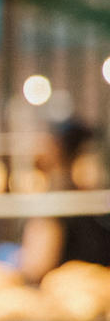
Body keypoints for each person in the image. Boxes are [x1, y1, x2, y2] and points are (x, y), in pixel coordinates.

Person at [21, 118, 110, 281]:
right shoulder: (57, 204)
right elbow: (35, 266)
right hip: (67, 295)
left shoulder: (94, 203)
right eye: (87, 155)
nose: (93, 166)